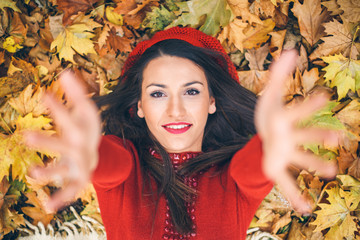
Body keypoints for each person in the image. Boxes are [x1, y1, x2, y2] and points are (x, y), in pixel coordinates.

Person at [25, 27, 338, 240]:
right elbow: (109, 164)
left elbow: (252, 170)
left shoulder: (234, 176)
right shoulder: (126, 165)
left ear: (211, 101)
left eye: (191, 91)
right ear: (140, 106)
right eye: (158, 94)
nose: (175, 109)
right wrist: (92, 155)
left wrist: (266, 148)